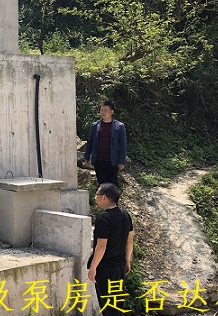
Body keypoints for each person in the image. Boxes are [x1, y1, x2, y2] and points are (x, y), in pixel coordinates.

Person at [87, 183, 134, 316]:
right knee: (117, 304)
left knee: (107, 305)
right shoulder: (125, 214)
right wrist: (127, 260)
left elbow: (101, 246)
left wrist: (93, 268)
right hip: (119, 266)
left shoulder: (104, 218)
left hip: (105, 268)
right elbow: (130, 240)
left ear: (104, 197)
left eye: (97, 194)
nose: (95, 197)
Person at [83, 101, 127, 186]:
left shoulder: (119, 126)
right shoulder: (95, 126)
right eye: (101, 110)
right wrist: (86, 157)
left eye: (105, 110)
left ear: (111, 112)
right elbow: (90, 143)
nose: (103, 112)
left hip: (112, 161)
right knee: (102, 185)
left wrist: (122, 161)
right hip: (98, 161)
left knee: (112, 185)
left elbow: (123, 145)